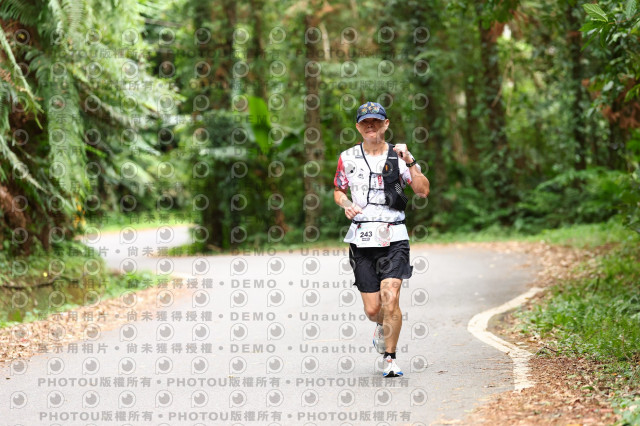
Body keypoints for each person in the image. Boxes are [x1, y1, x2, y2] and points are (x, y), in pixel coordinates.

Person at [334, 101, 430, 377]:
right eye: (365, 123)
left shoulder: (399, 156)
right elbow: (338, 190)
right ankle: (380, 325)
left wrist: (410, 160)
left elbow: (423, 190)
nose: (371, 126)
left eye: (376, 121)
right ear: (358, 127)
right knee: (373, 308)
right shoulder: (347, 157)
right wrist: (345, 204)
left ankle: (390, 358)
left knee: (391, 297)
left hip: (394, 235)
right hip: (362, 238)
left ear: (386, 124)